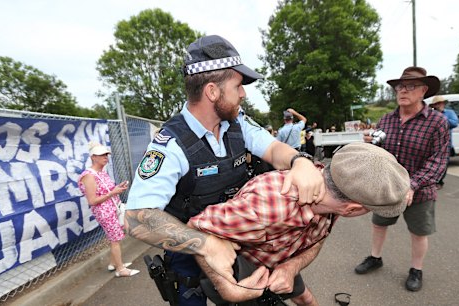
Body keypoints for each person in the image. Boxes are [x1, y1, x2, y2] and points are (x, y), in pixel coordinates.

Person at [125, 35, 324, 305]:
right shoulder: (170, 145)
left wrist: (300, 162)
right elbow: (136, 218)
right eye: (238, 85)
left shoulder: (238, 124)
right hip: (188, 253)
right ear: (212, 91)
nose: (243, 94)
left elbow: (275, 150)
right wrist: (205, 244)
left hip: (239, 240)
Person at [188, 143, 410, 305]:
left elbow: (318, 237)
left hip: (281, 258)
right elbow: (195, 229)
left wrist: (290, 267)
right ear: (352, 210)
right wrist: (227, 288)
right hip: (245, 271)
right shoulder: (265, 207)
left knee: (304, 298)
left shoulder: (336, 193)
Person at [355, 66, 449, 292]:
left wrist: (413, 185)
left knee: (418, 232)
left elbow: (438, 161)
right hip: (388, 187)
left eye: (410, 86)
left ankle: (416, 269)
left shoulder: (437, 122)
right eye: (400, 86)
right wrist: (370, 145)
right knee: (379, 224)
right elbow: (380, 155)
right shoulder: (386, 120)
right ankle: (375, 258)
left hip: (421, 189)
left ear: (424, 90)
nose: (402, 91)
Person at [78, 142, 140, 277]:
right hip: (104, 212)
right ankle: (120, 269)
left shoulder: (101, 172)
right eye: (101, 155)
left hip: (113, 209)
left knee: (116, 237)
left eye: (106, 154)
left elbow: (105, 191)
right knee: (115, 239)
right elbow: (92, 200)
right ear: (93, 157)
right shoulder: (89, 175)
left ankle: (114, 263)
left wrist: (117, 189)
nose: (105, 157)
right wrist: (113, 192)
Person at [428, 96, 459, 189]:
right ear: (434, 105)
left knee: (444, 163)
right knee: (431, 162)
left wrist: (440, 118)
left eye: (441, 103)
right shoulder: (431, 114)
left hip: (446, 142)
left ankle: (440, 181)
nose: (440, 105)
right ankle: (431, 181)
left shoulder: (449, 113)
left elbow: (455, 123)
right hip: (431, 142)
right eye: (437, 103)